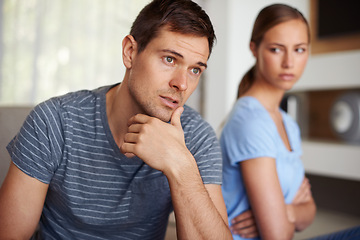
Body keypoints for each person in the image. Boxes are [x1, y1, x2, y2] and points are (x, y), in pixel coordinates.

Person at [0, 0, 232, 239]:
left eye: (195, 70)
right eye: (170, 59)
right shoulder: (54, 121)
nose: (182, 84)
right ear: (130, 52)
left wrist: (181, 166)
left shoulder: (196, 137)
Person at [220, 4, 316, 240]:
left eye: (300, 50)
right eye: (276, 49)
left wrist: (286, 212)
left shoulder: (287, 123)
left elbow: (310, 212)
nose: (289, 62)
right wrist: (288, 215)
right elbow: (278, 235)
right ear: (254, 48)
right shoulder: (251, 121)